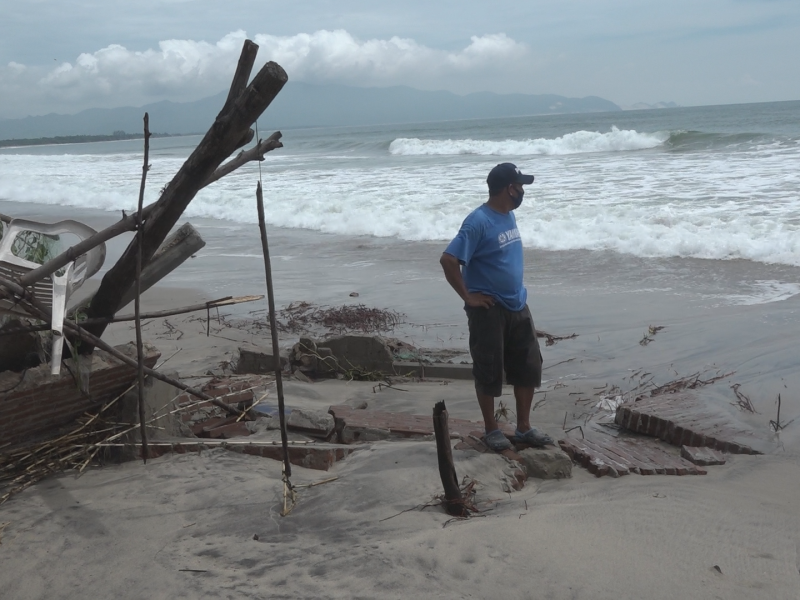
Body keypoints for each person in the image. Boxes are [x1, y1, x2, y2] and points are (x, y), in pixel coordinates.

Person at [439, 162, 554, 452]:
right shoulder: (478, 221)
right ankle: (491, 429)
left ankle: (524, 427)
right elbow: (449, 260)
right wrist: (468, 297)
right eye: (520, 186)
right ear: (508, 189)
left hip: (517, 303)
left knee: (529, 366)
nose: (523, 191)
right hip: (488, 309)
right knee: (488, 370)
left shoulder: (508, 215)